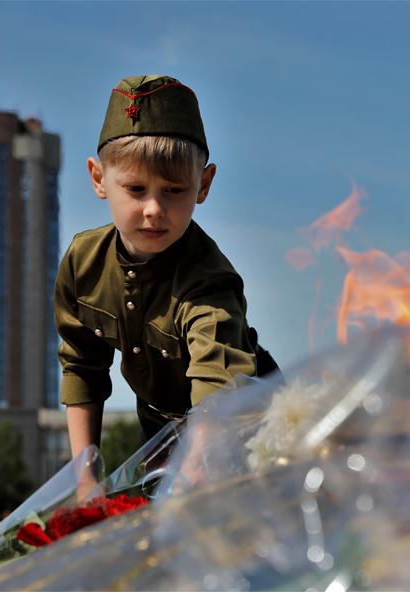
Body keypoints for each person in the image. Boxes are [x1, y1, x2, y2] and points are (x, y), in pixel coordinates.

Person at [55, 75, 278, 463]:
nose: (154, 209)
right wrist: (84, 479)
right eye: (136, 190)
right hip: (160, 430)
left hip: (250, 435)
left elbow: (217, 391)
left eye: (174, 190)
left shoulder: (208, 279)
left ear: (203, 185)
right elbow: (82, 367)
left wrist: (192, 473)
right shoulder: (84, 262)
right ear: (98, 178)